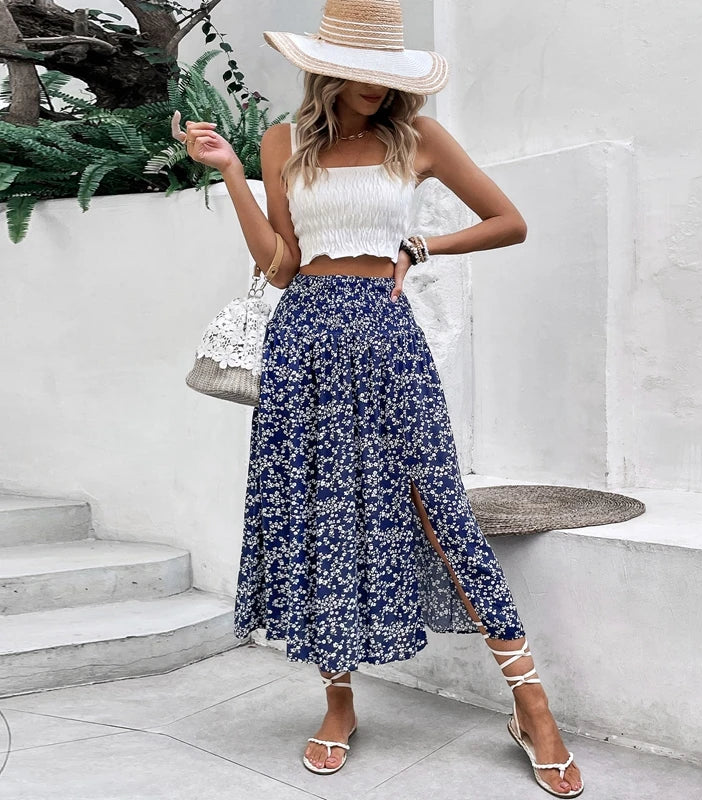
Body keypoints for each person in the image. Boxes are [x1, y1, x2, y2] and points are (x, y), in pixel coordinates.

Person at [176, 1, 583, 796]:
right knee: (321, 513)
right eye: (358, 73)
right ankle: (338, 704)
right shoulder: (281, 143)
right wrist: (230, 172)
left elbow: (509, 222)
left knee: (439, 508)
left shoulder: (418, 138)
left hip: (389, 341)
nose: (375, 88)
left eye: (384, 75)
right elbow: (281, 265)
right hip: (302, 341)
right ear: (326, 72)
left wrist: (421, 245)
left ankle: (532, 707)